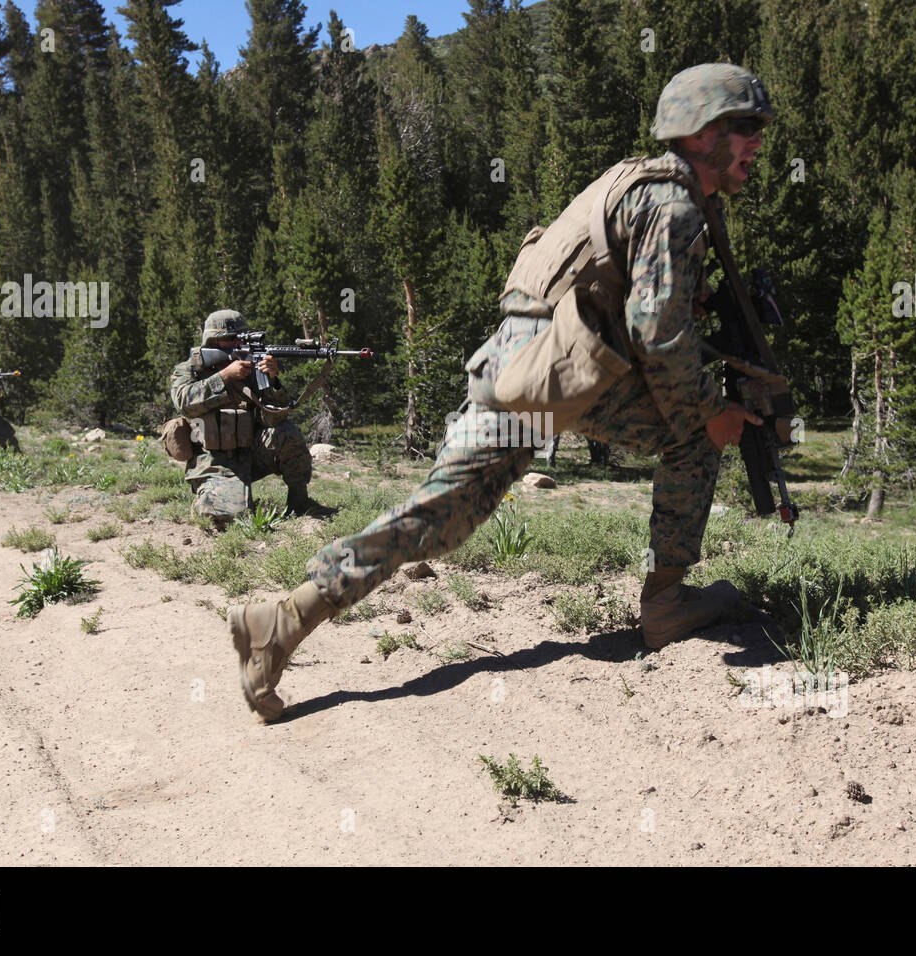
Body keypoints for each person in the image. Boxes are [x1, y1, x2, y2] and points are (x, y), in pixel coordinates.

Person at [229, 64, 773, 721]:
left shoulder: (641, 182)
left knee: (439, 520)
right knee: (696, 434)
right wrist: (712, 414)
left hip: (521, 364)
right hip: (557, 369)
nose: (757, 143)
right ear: (703, 132)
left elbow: (637, 303)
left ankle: (280, 623)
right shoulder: (675, 203)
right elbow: (659, 334)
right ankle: (665, 603)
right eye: (745, 128)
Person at [169, 309, 335, 529]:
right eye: (230, 340)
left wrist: (272, 381)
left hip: (251, 453)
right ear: (212, 341)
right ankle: (206, 500)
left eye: (241, 338)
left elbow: (274, 419)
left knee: (287, 432)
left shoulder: (251, 368)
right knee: (231, 518)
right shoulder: (190, 369)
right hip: (211, 461)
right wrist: (224, 377)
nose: (237, 343)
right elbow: (183, 403)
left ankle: (300, 502)